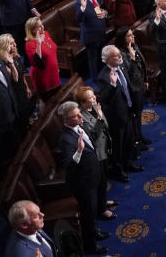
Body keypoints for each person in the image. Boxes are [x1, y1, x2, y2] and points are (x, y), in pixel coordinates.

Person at [56, 101, 110, 255]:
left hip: (94, 175)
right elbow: (67, 164)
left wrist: (99, 119)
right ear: (66, 120)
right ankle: (91, 247)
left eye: (79, 113)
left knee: (93, 213)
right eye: (76, 115)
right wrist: (78, 151)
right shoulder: (65, 139)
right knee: (88, 217)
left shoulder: (81, 126)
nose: (81, 116)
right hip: (84, 184)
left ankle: (95, 233)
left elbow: (92, 139)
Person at [97, 46, 142, 181]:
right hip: (116, 118)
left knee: (128, 140)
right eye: (117, 55)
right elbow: (105, 98)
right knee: (118, 146)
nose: (120, 56)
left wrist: (133, 107)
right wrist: (112, 84)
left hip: (127, 111)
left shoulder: (121, 67)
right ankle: (118, 170)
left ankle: (128, 163)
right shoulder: (103, 77)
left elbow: (128, 87)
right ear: (108, 59)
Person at [114, 27, 150, 150]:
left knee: (139, 113)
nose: (133, 37)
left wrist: (145, 80)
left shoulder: (133, 46)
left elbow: (142, 63)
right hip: (132, 89)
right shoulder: (121, 54)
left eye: (132, 35)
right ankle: (136, 140)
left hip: (139, 85)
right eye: (129, 36)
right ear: (123, 39)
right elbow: (128, 73)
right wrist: (132, 58)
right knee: (134, 115)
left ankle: (140, 136)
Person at [76, 0, 108, 79]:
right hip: (91, 36)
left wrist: (105, 13)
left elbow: (102, 10)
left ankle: (104, 74)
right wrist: (83, 8)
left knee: (101, 56)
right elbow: (79, 19)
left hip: (101, 32)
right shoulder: (79, 3)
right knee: (93, 60)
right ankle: (95, 80)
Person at [24, 16, 61, 99]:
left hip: (54, 72)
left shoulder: (46, 34)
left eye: (42, 24)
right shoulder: (29, 44)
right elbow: (37, 62)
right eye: (39, 26)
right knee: (49, 103)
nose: (42, 27)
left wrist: (56, 67)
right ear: (33, 30)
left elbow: (52, 52)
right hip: (43, 76)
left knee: (58, 97)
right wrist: (39, 44)